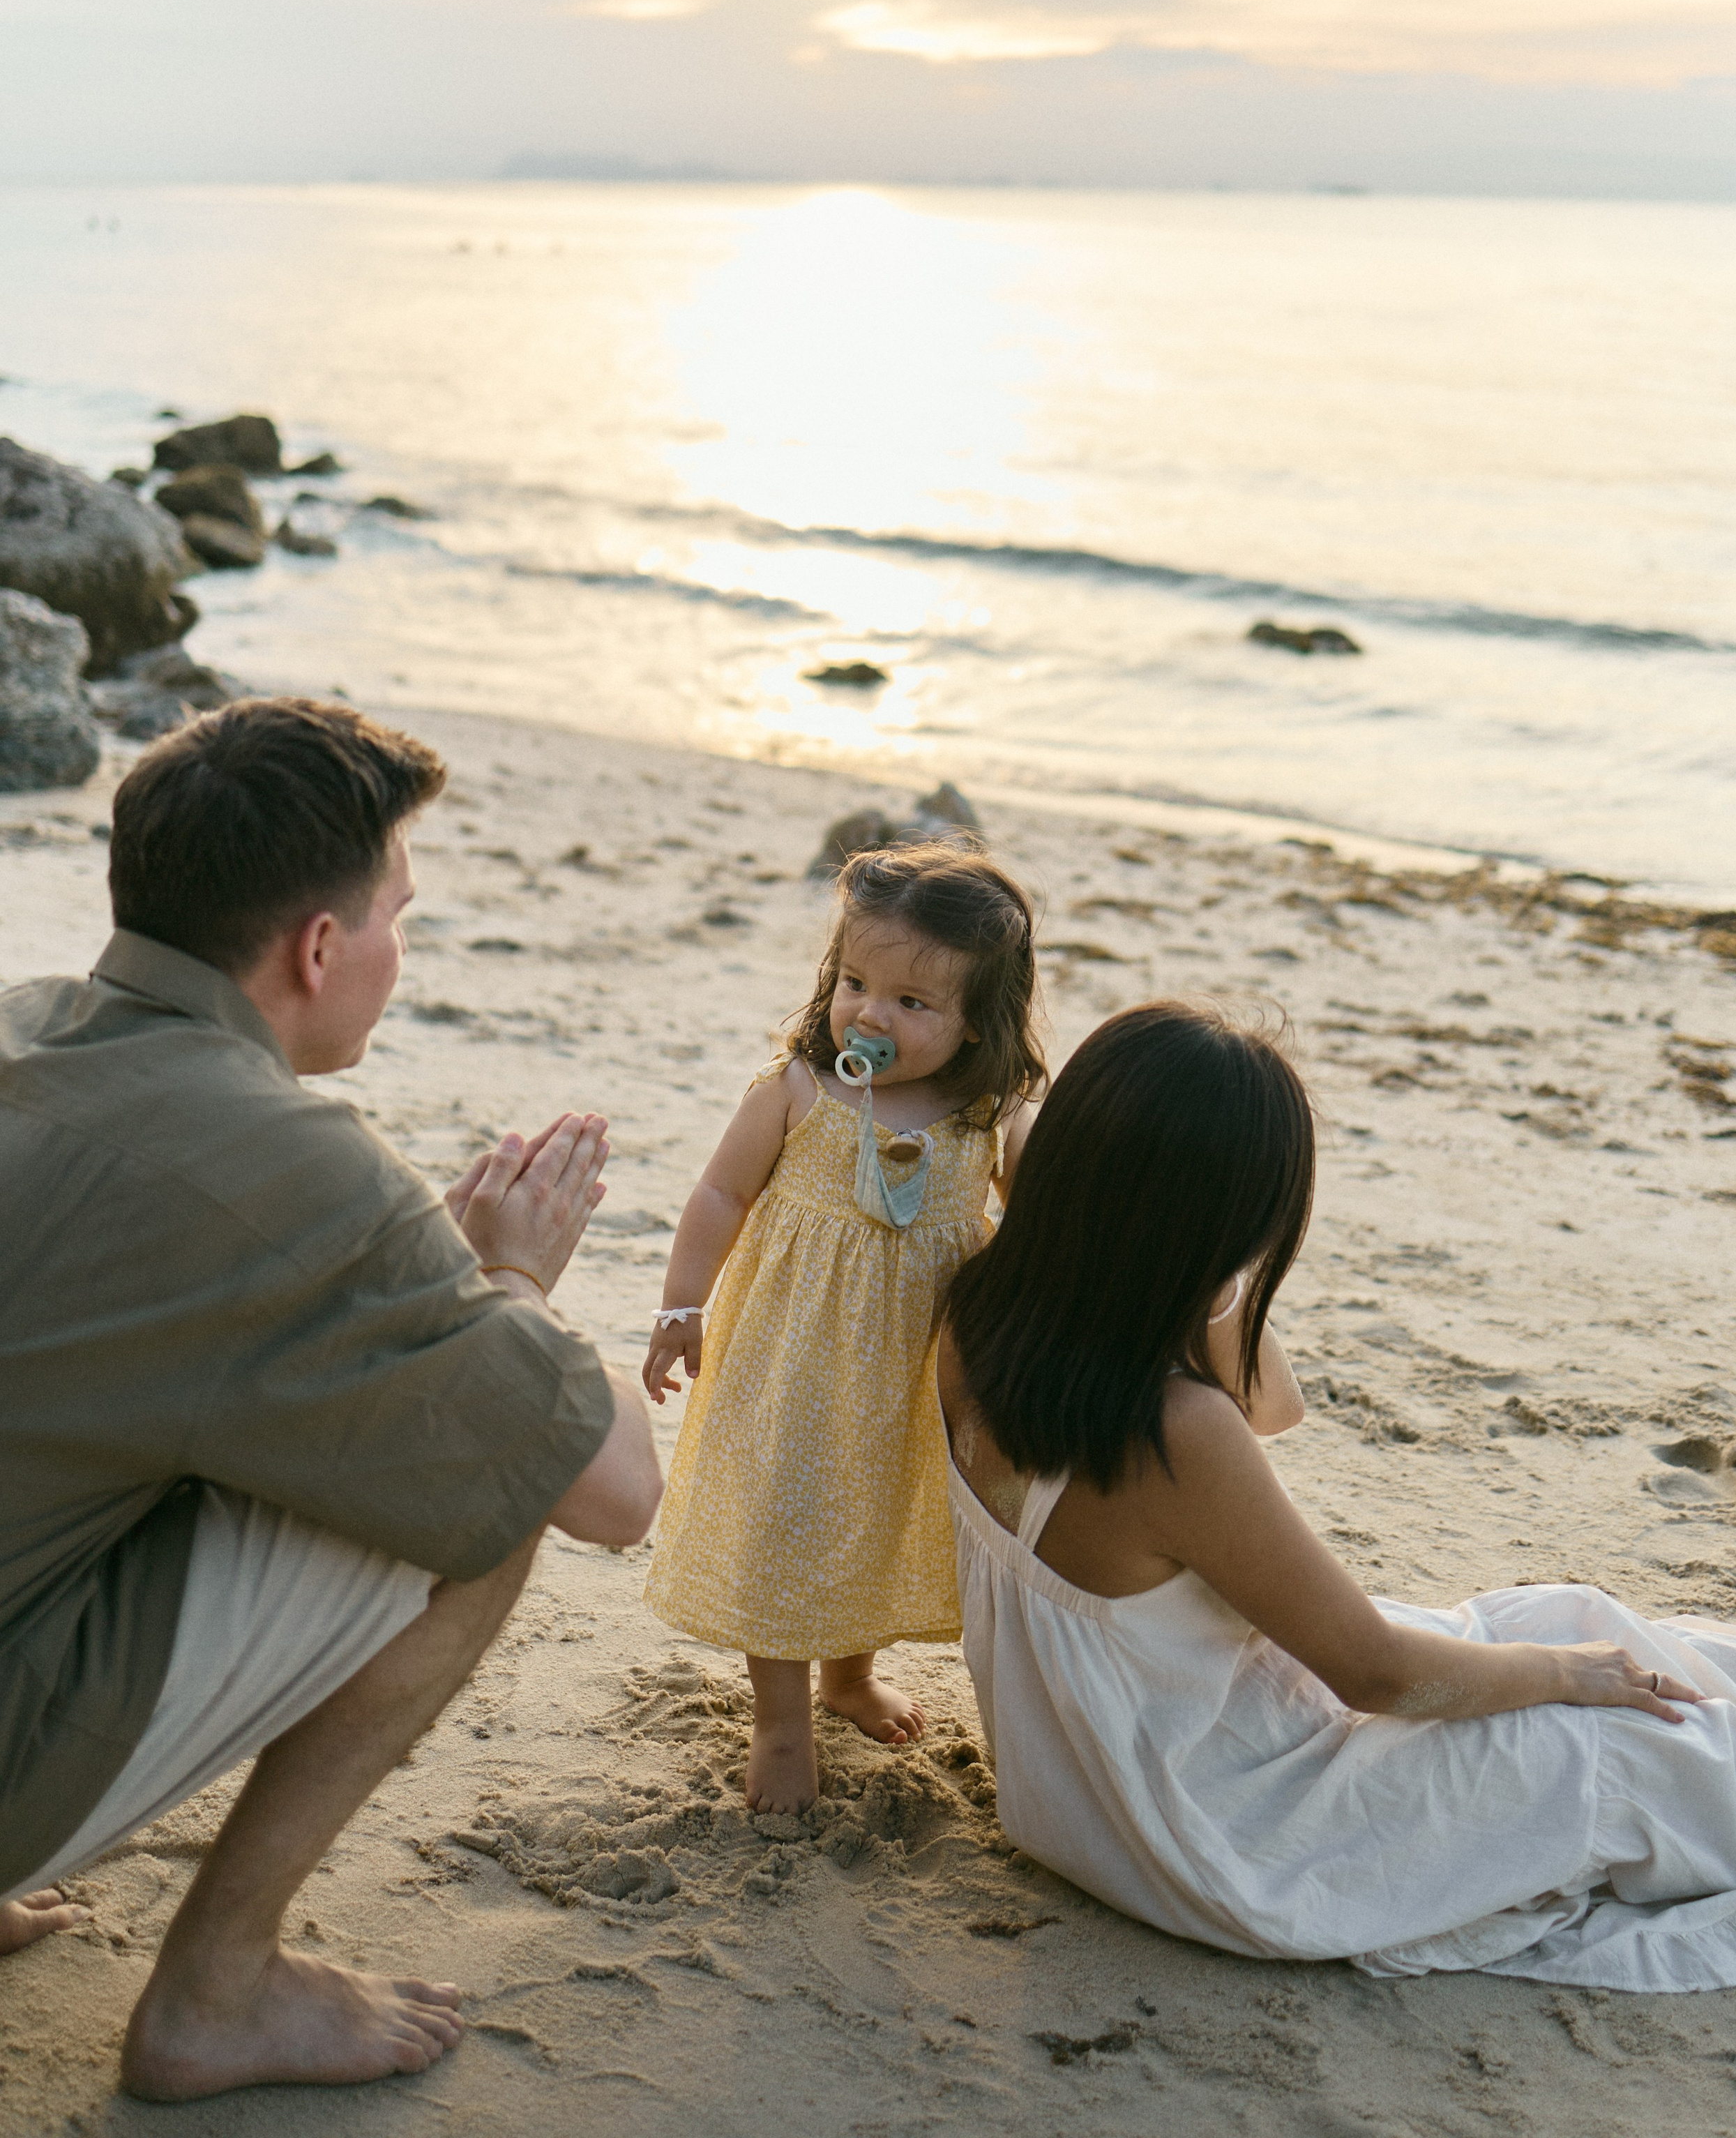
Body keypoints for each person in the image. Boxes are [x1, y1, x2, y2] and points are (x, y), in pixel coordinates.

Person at [0, 698, 663, 2100]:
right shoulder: (296, 1169)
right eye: (395, 917)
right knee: (495, 1484)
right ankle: (219, 1990)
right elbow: (612, 1484)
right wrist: (509, 1290)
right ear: (318, 947)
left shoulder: (21, 1029)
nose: (398, 950)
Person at [940, 999, 1736, 1992]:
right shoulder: (1174, 1432)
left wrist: (1102, 1210)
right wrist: (1566, 1677)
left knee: (1574, 1616)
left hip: (1099, 1796)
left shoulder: (985, 1311)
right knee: (1616, 1738)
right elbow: (1375, 1674)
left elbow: (1273, 1406)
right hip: (1227, 1836)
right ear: (1219, 1233)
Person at [640, 842, 1046, 1813]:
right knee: (784, 1523)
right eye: (856, 983)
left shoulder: (985, 1113)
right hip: (791, 1360)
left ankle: (851, 1677)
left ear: (980, 1021)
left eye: (914, 1002)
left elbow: (1043, 1208)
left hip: (915, 1374)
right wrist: (681, 1304)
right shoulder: (798, 1090)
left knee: (871, 1512)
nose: (870, 1013)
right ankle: (780, 1723)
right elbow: (716, 1194)